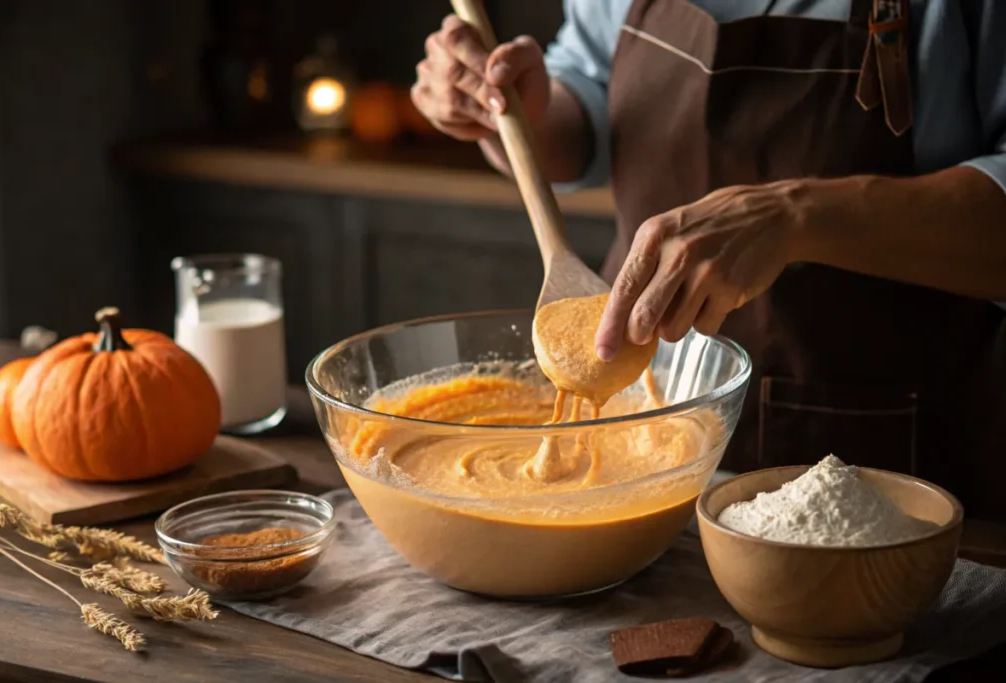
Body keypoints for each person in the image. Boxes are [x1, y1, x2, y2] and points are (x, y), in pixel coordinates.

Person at [411, 1, 1006, 520]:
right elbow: (588, 106)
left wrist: (798, 213)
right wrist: (516, 116)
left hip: (907, 459)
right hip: (656, 424)